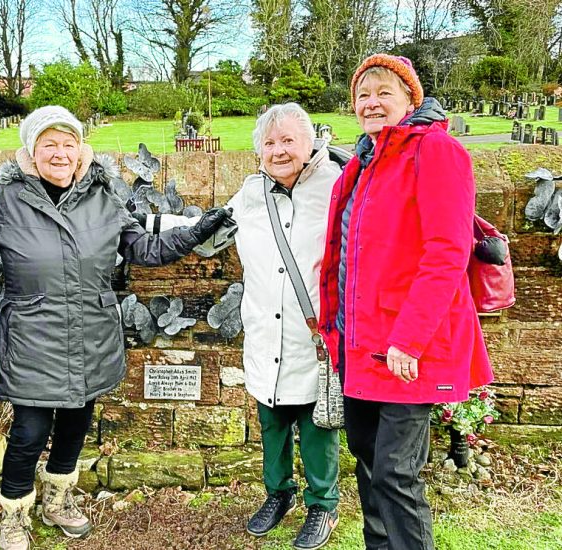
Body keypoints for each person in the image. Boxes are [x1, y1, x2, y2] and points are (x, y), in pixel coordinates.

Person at [0, 105, 230, 550]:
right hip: (32, 337)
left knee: (76, 424)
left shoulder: (102, 196)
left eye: (68, 144)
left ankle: (58, 499)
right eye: (48, 145)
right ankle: (15, 512)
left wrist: (195, 232)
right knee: (29, 432)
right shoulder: (4, 200)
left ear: (81, 150)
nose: (59, 154)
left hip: (90, 334)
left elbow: (142, 247)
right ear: (30, 152)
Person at [147, 103, 344, 550]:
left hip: (315, 332)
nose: (279, 151)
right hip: (264, 328)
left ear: (310, 141)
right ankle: (278, 494)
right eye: (270, 143)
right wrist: (144, 223)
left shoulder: (337, 183)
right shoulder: (251, 192)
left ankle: (323, 504)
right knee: (272, 420)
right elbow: (210, 233)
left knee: (317, 425)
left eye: (288, 140)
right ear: (258, 152)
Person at [318, 54, 494, 550]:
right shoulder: (363, 161)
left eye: (384, 93)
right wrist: (332, 329)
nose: (372, 103)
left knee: (396, 473)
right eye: (363, 95)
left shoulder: (435, 151)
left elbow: (447, 251)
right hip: (359, 344)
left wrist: (409, 339)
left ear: (410, 99)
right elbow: (346, 254)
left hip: (406, 348)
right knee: (369, 461)